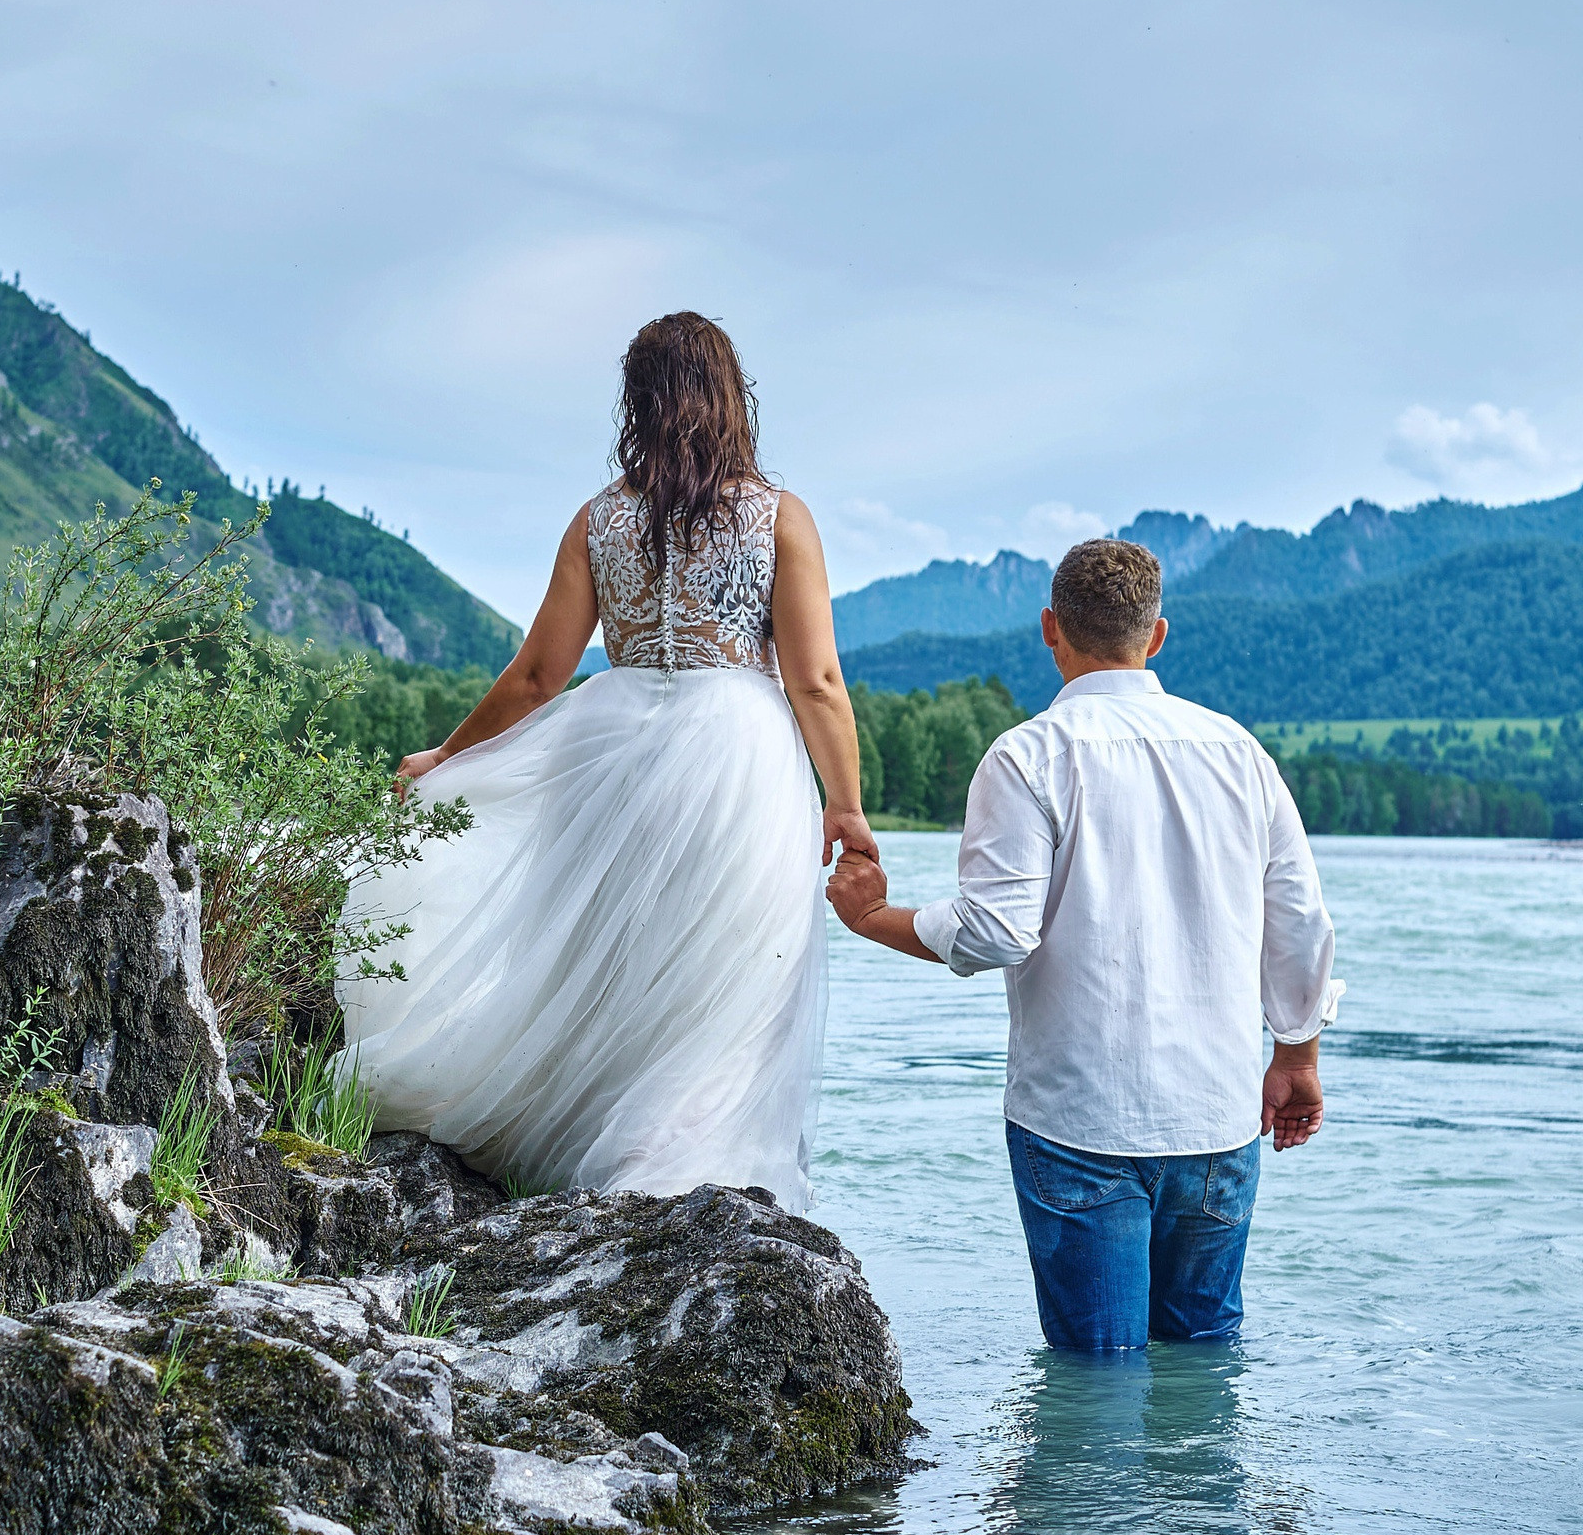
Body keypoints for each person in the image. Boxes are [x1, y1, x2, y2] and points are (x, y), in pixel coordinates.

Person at [336, 312, 874, 1211]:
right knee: (726, 969)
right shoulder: (781, 519)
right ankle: (683, 1166)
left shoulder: (599, 521)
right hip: (737, 754)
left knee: (607, 954)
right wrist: (846, 805)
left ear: (640, 402)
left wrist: (447, 757)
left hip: (610, 745)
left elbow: (539, 676)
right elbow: (815, 680)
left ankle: (593, 1154)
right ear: (731, 397)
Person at [824, 538, 1341, 1350]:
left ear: (1049, 629)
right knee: (1203, 1377)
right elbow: (1302, 922)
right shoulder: (1241, 754)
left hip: (1079, 1120)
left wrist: (873, 916)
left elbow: (996, 929)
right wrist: (1298, 1059)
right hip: (1216, 1117)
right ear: (1158, 635)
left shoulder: (1028, 756)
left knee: (1096, 1385)